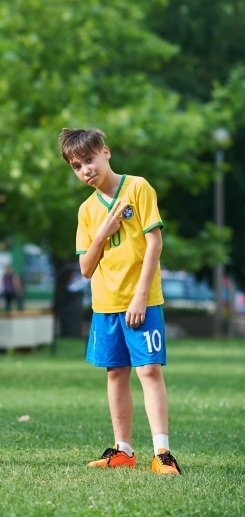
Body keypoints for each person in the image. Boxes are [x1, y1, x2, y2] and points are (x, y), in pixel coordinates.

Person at [60, 127, 180, 474]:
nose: (86, 170)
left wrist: (140, 295)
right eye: (77, 166)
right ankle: (123, 450)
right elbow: (85, 267)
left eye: (90, 160)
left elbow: (154, 244)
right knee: (116, 374)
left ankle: (162, 453)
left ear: (106, 152)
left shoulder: (138, 188)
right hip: (106, 305)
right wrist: (103, 232)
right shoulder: (86, 211)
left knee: (149, 370)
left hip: (141, 301)